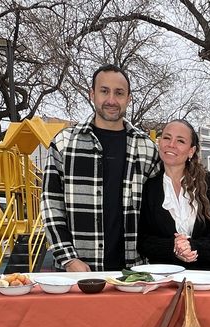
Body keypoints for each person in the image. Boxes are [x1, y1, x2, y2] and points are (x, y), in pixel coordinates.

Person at [42, 64, 161, 272]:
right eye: (104, 91)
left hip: (134, 274)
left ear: (129, 98)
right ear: (92, 94)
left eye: (119, 93)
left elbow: (162, 207)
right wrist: (68, 259)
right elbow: (51, 205)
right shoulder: (65, 144)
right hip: (78, 272)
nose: (112, 100)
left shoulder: (147, 148)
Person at [138, 120, 210, 271]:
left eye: (180, 141)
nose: (171, 144)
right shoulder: (149, 188)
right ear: (159, 143)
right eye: (166, 138)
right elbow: (143, 241)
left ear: (191, 151)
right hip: (166, 281)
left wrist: (193, 247)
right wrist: (174, 247)